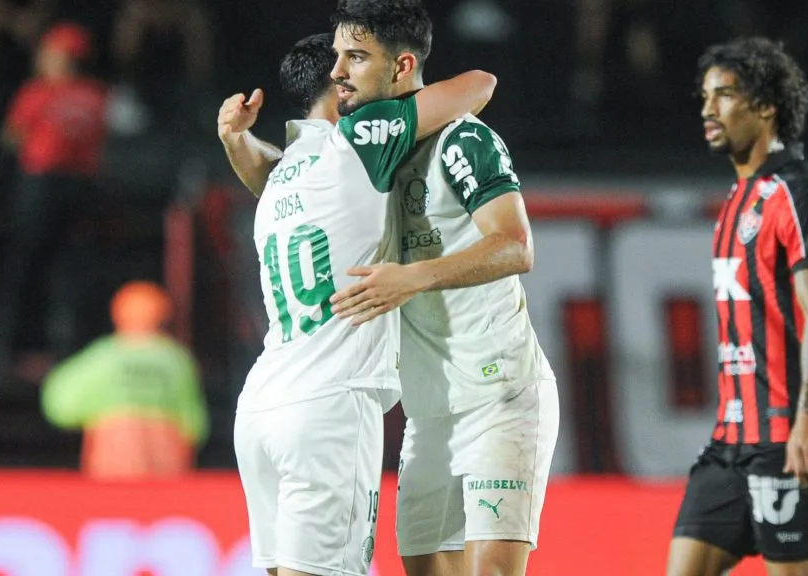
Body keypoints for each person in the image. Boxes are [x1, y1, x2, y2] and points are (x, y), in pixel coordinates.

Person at [217, 29, 497, 576]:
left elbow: (265, 169)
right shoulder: (359, 140)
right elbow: (480, 85)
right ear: (338, 82)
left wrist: (234, 139)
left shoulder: (282, 176)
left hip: (263, 404)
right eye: (351, 61)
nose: (357, 69)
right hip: (330, 405)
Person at [323, 2, 559, 575]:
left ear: (402, 66)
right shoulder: (362, 156)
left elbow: (516, 246)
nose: (338, 72)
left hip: (500, 395)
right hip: (429, 414)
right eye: (337, 56)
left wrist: (413, 277)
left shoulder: (462, 138)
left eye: (356, 57)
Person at [666, 37, 808, 576]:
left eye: (724, 95)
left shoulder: (801, 188)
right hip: (730, 442)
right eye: (706, 96)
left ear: (767, 106)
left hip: (788, 437)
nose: (708, 109)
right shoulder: (738, 197)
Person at [0, 22, 109, 384]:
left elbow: (11, 138)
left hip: (43, 189)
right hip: (79, 190)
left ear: (63, 57)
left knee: (26, 267)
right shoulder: (96, 95)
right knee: (68, 272)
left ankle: (2, 354)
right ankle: (65, 356)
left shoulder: (37, 93)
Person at [41, 281, 208, 480]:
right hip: (166, 466)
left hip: (112, 465)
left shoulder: (102, 357)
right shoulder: (177, 360)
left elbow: (59, 405)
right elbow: (194, 424)